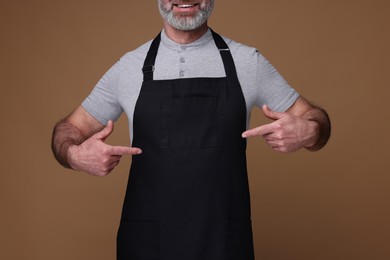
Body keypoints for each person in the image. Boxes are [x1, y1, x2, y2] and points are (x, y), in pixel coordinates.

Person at [51, 0, 331, 259]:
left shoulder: (248, 62)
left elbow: (314, 119)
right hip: (148, 244)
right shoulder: (129, 67)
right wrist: (75, 155)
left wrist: (309, 132)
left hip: (222, 242)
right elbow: (68, 129)